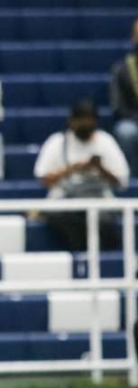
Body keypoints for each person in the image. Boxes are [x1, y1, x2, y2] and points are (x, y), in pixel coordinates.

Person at [34, 100, 129, 251]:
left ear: (95, 122)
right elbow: (43, 178)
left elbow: (122, 181)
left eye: (89, 121)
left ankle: (104, 261)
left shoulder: (105, 141)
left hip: (99, 198)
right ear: (71, 121)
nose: (85, 125)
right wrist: (70, 169)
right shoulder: (57, 142)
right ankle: (80, 253)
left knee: (103, 220)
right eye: (81, 121)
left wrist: (100, 169)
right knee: (60, 215)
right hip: (65, 198)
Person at [109, 19, 138, 175]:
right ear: (133, 38)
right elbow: (118, 106)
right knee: (125, 132)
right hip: (133, 121)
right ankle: (132, 179)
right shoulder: (121, 69)